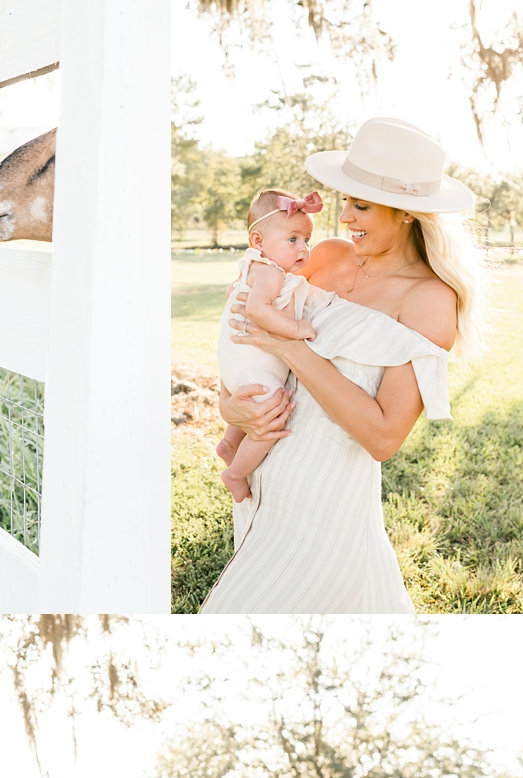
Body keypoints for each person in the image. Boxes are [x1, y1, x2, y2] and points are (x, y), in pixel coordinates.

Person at [199, 116, 482, 614]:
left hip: (325, 501)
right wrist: (232, 408)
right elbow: (245, 332)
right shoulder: (324, 257)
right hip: (263, 478)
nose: (345, 217)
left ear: (408, 213)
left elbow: (383, 438)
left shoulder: (430, 300)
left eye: (362, 205)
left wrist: (294, 350)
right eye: (347, 201)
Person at [216, 189, 325, 502]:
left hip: (236, 359)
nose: (302, 248)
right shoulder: (270, 272)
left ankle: (229, 442)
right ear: (258, 241)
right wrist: (295, 328)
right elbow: (256, 310)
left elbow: (233, 296)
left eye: (306, 240)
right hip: (252, 360)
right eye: (292, 239)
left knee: (253, 403)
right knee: (271, 417)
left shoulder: (254, 267)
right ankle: (235, 473)